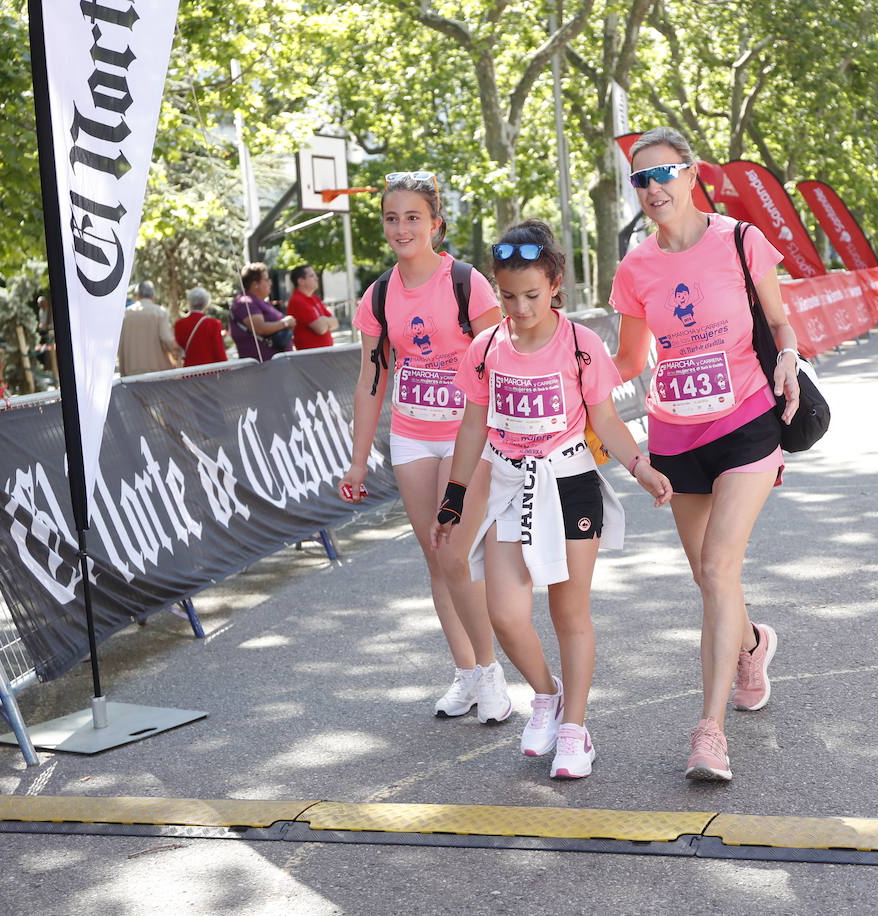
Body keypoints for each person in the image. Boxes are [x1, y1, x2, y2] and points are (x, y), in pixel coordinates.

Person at [431, 220, 673, 779]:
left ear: (556, 284)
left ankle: (574, 729)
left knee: (569, 610)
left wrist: (640, 466)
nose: (520, 308)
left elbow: (605, 418)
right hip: (510, 486)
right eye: (509, 296)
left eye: (532, 295)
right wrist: (455, 497)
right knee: (505, 613)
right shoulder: (485, 349)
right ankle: (546, 696)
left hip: (569, 484)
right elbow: (472, 427)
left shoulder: (582, 345)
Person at [608, 127, 801, 781]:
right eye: (641, 179)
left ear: (692, 175)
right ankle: (750, 643)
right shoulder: (635, 268)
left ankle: (709, 734)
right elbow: (631, 361)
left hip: (747, 422)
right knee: (707, 578)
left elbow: (779, 322)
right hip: (674, 435)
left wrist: (791, 361)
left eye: (665, 174)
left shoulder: (740, 240)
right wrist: (565, 367)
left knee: (719, 569)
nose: (654, 188)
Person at [337, 171, 511, 721]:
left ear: (436, 224)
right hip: (411, 435)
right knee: (437, 561)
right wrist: (359, 459)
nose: (401, 228)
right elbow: (372, 379)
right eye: (392, 218)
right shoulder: (379, 294)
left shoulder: (467, 283)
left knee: (457, 553)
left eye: (413, 217)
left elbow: (502, 360)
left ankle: (490, 672)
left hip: (468, 437)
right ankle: (466, 673)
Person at [230, 263, 295, 361]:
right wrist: (285, 323)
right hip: (262, 367)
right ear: (255, 284)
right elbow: (260, 328)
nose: (270, 283)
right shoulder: (245, 303)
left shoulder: (260, 302)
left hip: (276, 364)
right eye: (266, 279)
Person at [117, 281, 182, 376]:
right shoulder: (160, 312)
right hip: (157, 372)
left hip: (131, 371)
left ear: (137, 295)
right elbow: (166, 338)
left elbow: (120, 344)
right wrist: (177, 352)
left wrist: (123, 371)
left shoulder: (125, 314)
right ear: (153, 296)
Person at [285, 265, 340, 350]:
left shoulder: (313, 297)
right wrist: (326, 321)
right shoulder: (297, 300)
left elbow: (336, 323)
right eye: (312, 276)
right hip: (311, 357)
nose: (316, 278)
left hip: (323, 354)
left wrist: (323, 319)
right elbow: (320, 329)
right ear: (301, 281)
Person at [174, 287, 228, 368]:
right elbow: (219, 352)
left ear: (189, 302)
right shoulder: (214, 324)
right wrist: (226, 369)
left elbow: (179, 349)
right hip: (209, 370)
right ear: (205, 303)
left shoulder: (179, 324)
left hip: (189, 371)